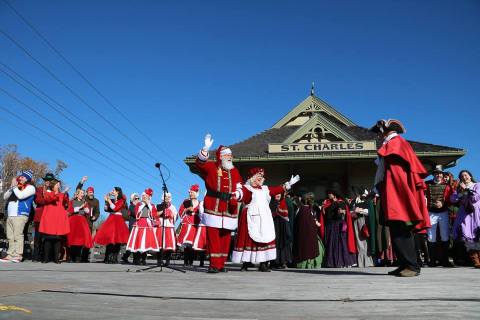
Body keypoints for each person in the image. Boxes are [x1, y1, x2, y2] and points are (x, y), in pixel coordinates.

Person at [370, 119, 430, 277]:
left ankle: (412, 265)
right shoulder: (393, 144)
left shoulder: (396, 143)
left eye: (378, 132)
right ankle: (405, 264)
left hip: (397, 193)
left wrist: (393, 193)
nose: (377, 136)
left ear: (385, 130)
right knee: (396, 229)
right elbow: (385, 173)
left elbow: (396, 176)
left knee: (401, 228)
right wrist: (377, 189)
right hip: (392, 191)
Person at [232, 168, 300, 271]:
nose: (260, 178)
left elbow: (277, 189)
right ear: (252, 177)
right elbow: (241, 194)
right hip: (251, 217)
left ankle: (263, 264)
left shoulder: (265, 189)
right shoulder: (247, 188)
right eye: (258, 176)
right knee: (249, 239)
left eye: (262, 176)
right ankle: (246, 263)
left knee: (265, 239)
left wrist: (288, 184)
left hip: (264, 218)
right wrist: (235, 194)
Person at [195, 134, 243, 273]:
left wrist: (237, 195)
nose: (230, 157)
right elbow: (200, 164)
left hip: (229, 207)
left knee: (226, 237)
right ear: (221, 157)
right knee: (213, 236)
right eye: (227, 155)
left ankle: (221, 264)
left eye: (231, 155)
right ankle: (214, 264)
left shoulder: (234, 171)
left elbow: (240, 186)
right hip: (213, 205)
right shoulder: (211, 167)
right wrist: (205, 149)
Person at [0, 170, 36, 263]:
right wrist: (12, 187)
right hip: (11, 215)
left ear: (27, 179)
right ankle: (10, 254)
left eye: (23, 177)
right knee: (10, 236)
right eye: (20, 177)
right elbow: (5, 197)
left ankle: (18, 255)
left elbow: (21, 196)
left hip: (20, 214)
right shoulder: (17, 187)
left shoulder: (30, 188)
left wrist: (15, 186)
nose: (20, 178)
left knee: (18, 235)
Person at [425, 165, 454, 267]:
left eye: (440, 173)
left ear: (442, 175)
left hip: (443, 213)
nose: (438, 175)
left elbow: (451, 199)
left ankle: (445, 260)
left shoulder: (448, 186)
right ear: (433, 174)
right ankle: (432, 261)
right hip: (431, 213)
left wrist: (443, 203)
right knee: (431, 237)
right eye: (436, 173)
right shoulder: (427, 184)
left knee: (445, 236)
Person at [451, 170, 480, 268]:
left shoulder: (477, 185)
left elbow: (475, 198)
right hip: (465, 214)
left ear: (470, 176)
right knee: (468, 236)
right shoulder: (459, 188)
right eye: (462, 176)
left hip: (476, 213)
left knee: (477, 235)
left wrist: (466, 191)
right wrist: (461, 192)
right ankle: (475, 259)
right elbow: (453, 198)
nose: (464, 177)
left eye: (466, 175)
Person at [321, 189, 357, 268]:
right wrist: (323, 208)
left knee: (341, 243)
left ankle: (342, 262)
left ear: (334, 194)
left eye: (330, 193)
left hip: (338, 225)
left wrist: (342, 212)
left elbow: (344, 213)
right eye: (328, 193)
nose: (328, 195)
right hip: (331, 225)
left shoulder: (341, 202)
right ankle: (333, 262)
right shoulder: (327, 203)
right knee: (332, 244)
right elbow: (325, 215)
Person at [93, 187, 129, 264]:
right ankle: (108, 257)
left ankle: (114, 258)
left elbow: (115, 208)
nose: (112, 191)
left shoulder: (121, 200)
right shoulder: (112, 200)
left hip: (118, 219)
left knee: (117, 239)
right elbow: (106, 209)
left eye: (113, 190)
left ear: (118, 192)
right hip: (111, 219)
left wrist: (109, 200)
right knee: (110, 238)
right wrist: (106, 201)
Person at [38, 178, 70, 263]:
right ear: (53, 185)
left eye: (59, 185)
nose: (59, 186)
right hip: (50, 218)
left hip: (59, 218)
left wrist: (65, 194)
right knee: (48, 239)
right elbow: (50, 199)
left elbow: (66, 203)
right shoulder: (48, 192)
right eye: (57, 184)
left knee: (57, 239)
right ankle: (46, 258)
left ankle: (56, 258)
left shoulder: (62, 194)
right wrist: (60, 193)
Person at [126, 188, 159, 265]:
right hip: (139, 223)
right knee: (138, 241)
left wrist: (149, 205)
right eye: (143, 195)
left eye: (146, 196)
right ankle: (136, 259)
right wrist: (144, 205)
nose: (144, 197)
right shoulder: (139, 205)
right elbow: (136, 213)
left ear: (149, 197)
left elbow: (154, 215)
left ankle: (143, 259)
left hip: (147, 225)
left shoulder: (152, 205)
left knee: (145, 242)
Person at [292, 192, 322, 268]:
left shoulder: (302, 210)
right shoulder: (306, 210)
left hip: (302, 235)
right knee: (309, 249)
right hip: (309, 235)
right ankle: (309, 264)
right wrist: (316, 223)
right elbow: (310, 222)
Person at [75, 176, 100, 262]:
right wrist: (82, 181)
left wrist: (95, 217)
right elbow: (78, 190)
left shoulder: (96, 201)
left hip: (89, 223)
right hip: (81, 222)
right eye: (89, 192)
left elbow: (98, 212)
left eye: (92, 192)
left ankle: (84, 258)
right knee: (79, 239)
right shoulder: (84, 198)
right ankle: (77, 256)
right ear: (87, 193)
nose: (91, 194)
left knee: (87, 240)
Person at [177, 184, 202, 266]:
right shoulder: (186, 201)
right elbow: (180, 212)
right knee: (186, 245)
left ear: (196, 193)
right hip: (187, 223)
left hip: (195, 224)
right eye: (190, 192)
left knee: (192, 245)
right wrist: (187, 209)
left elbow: (202, 214)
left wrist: (197, 213)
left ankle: (190, 262)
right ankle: (185, 261)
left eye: (192, 192)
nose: (191, 194)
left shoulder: (200, 203)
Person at [67, 189, 93, 262]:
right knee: (73, 239)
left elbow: (88, 212)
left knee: (80, 239)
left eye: (83, 193)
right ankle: (72, 257)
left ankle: (78, 257)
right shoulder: (72, 201)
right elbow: (69, 210)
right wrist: (80, 207)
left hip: (81, 221)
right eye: (81, 193)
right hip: (73, 221)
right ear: (77, 194)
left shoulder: (85, 202)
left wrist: (86, 209)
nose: (82, 194)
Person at [351, 190, 374, 267]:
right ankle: (361, 262)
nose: (355, 194)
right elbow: (351, 211)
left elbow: (368, 211)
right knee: (358, 242)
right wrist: (353, 212)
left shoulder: (367, 201)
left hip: (363, 221)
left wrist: (360, 210)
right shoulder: (354, 201)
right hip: (356, 221)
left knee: (364, 241)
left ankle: (367, 262)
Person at [270, 191, 293, 269]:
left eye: (279, 194)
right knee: (275, 242)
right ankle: (274, 262)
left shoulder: (284, 202)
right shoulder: (272, 202)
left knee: (283, 243)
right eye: (277, 194)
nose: (278, 195)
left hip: (283, 225)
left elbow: (287, 214)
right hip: (274, 224)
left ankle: (282, 262)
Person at [155, 192, 177, 266]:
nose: (167, 198)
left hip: (169, 226)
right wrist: (163, 211)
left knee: (169, 245)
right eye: (165, 197)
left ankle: (167, 261)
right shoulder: (159, 205)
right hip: (161, 225)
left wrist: (170, 214)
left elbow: (175, 216)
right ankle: (159, 260)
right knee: (160, 244)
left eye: (168, 197)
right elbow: (155, 215)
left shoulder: (173, 207)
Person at [121, 193, 140, 263]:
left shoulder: (139, 206)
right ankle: (135, 259)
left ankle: (126, 256)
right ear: (132, 200)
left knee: (136, 242)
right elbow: (136, 214)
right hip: (133, 226)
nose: (137, 200)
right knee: (134, 242)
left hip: (138, 226)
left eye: (138, 198)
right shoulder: (131, 206)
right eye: (136, 198)